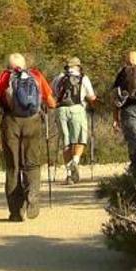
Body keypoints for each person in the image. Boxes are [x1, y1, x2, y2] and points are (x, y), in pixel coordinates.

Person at [0, 53, 57, 222]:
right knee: (32, 163)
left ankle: (15, 212)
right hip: (33, 122)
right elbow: (51, 103)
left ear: (8, 65)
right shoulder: (36, 75)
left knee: (13, 166)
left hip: (11, 122)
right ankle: (33, 200)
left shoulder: (2, 77)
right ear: (24, 64)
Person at [51, 57, 97, 185]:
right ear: (78, 66)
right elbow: (92, 97)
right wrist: (93, 104)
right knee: (79, 139)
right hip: (77, 109)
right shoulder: (83, 78)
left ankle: (69, 175)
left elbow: (52, 94)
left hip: (61, 110)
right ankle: (75, 162)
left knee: (66, 142)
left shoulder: (58, 78)